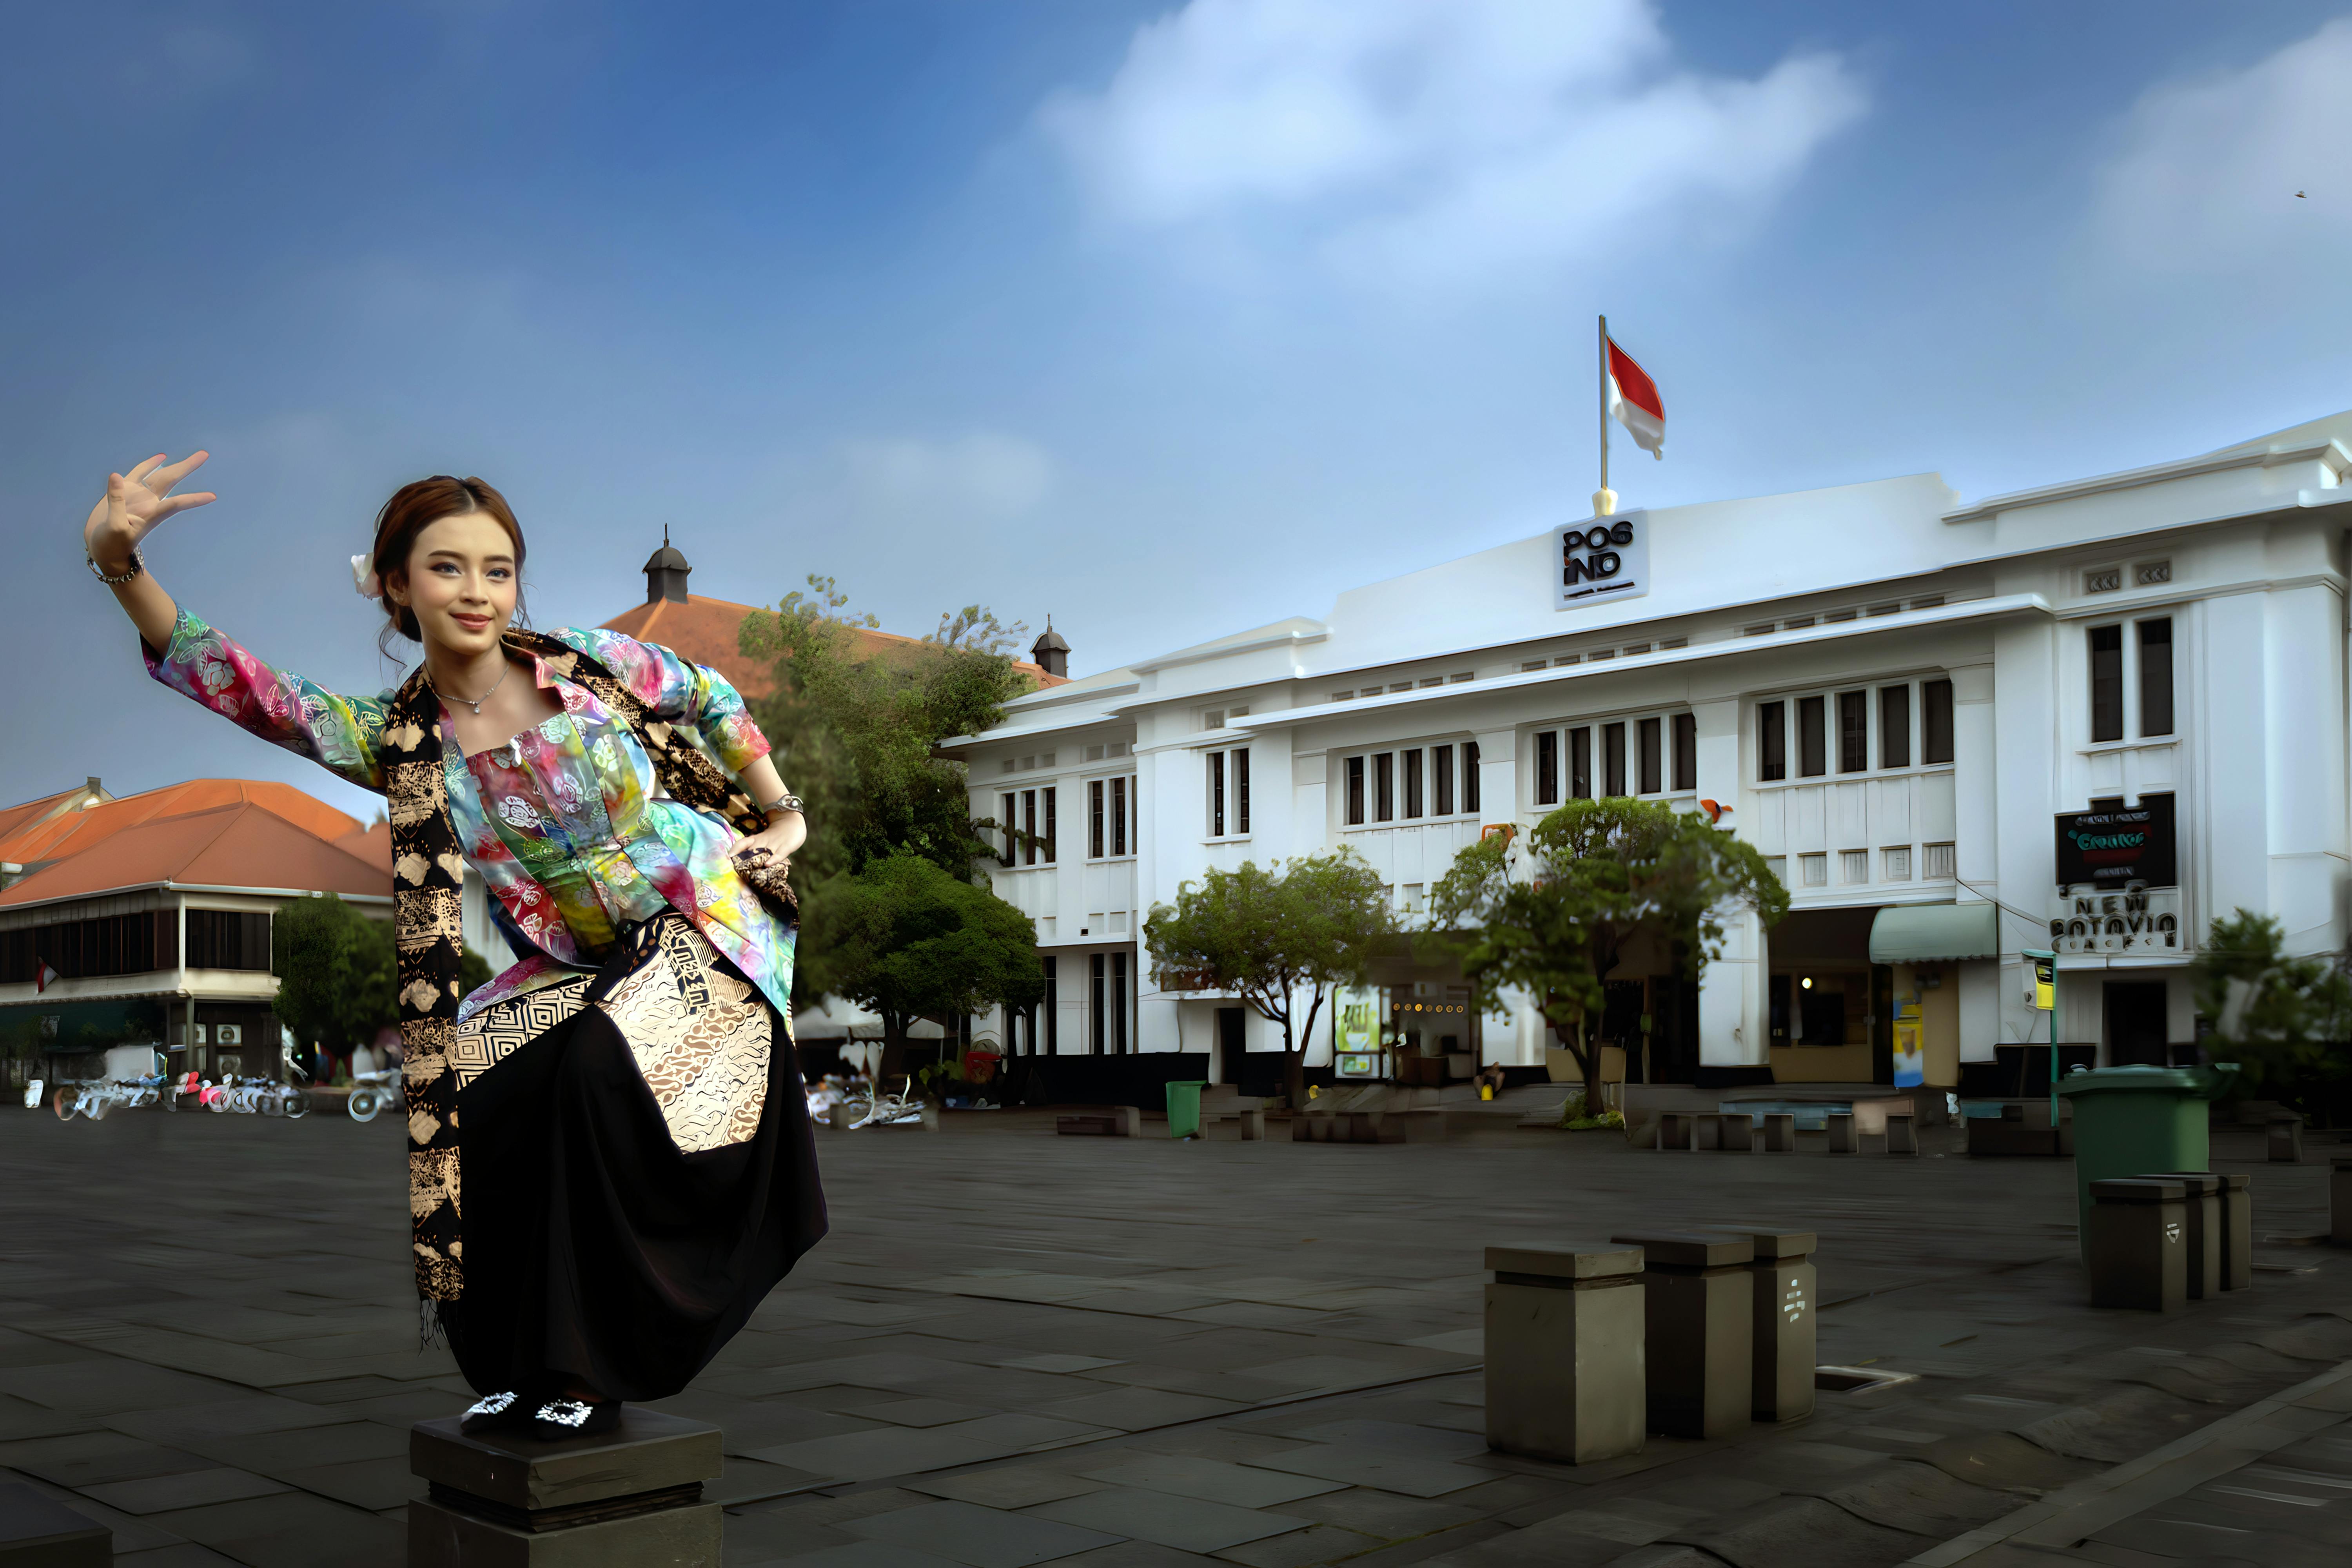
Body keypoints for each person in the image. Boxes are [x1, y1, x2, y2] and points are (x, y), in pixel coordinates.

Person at [83, 453, 826, 1439]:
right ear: (396, 584)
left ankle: (594, 1360)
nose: (477, 591)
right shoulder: (403, 741)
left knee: (600, 1068)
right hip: (582, 960)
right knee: (462, 1083)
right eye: (448, 567)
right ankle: (520, 1362)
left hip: (706, 923)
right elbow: (257, 694)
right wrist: (120, 563)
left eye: (497, 569)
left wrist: (783, 817)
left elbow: (711, 695)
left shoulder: (588, 664)